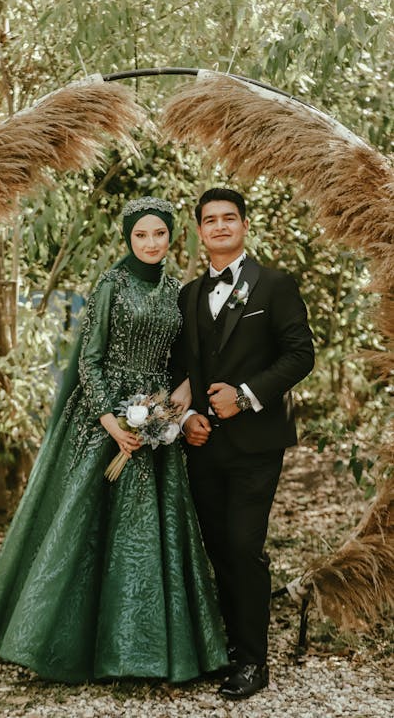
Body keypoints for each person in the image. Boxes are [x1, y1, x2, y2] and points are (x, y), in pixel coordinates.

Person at [0, 196, 228, 683]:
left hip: (154, 423)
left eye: (159, 234)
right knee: (85, 531)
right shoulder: (111, 284)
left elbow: (183, 365)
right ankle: (73, 646)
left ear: (172, 238)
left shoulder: (177, 291)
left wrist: (158, 418)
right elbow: (90, 360)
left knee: (149, 533)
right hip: (102, 421)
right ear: (128, 238)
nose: (151, 243)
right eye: (140, 235)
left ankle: (143, 652)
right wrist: (115, 425)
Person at [171, 187, 314, 700]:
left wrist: (247, 395)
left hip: (256, 442)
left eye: (229, 218)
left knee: (243, 545)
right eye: (210, 220)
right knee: (216, 548)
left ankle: (254, 661)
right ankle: (229, 647)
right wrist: (187, 416)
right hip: (202, 443)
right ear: (200, 231)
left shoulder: (274, 284)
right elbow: (179, 368)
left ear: (244, 225)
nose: (220, 226)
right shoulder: (186, 296)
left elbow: (300, 355)